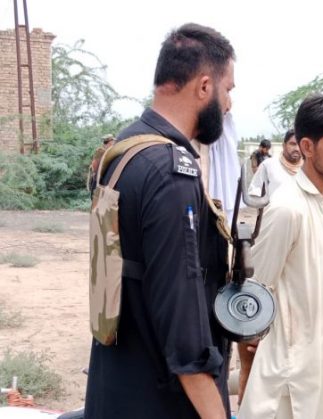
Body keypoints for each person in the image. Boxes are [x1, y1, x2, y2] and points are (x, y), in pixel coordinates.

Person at [84, 23, 236, 419]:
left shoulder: (124, 150)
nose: (229, 104)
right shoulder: (171, 171)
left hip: (116, 385)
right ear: (204, 86)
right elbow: (183, 324)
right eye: (228, 90)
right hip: (158, 398)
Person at [238, 95, 323, 419]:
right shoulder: (287, 208)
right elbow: (256, 296)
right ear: (307, 146)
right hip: (292, 374)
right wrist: (250, 365)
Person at [248, 129, 303, 197]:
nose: (297, 149)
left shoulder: (310, 168)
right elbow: (254, 191)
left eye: (300, 144)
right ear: (284, 145)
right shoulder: (268, 164)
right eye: (292, 144)